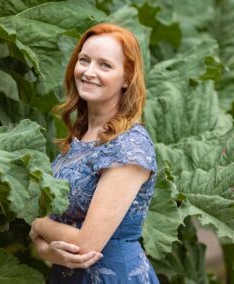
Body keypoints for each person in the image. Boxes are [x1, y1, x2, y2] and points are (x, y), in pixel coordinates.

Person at [29, 23, 159, 283]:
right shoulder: (82, 136)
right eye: (84, 60)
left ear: (126, 78)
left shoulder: (128, 147)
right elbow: (53, 240)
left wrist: (37, 226)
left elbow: (87, 244)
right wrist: (45, 249)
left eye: (104, 65)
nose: (89, 72)